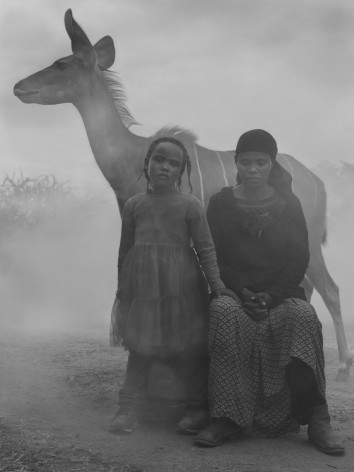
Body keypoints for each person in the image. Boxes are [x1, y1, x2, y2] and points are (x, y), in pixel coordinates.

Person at [194, 129, 345, 455]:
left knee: (303, 316)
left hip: (281, 294)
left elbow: (298, 258)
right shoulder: (220, 203)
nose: (252, 168)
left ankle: (318, 418)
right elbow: (215, 255)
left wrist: (272, 295)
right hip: (237, 294)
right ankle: (226, 418)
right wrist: (244, 290)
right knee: (223, 313)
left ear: (270, 164)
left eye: (260, 162)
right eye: (245, 161)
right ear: (236, 163)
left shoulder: (288, 204)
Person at [109, 136, 226, 434]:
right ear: (147, 162)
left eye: (174, 164)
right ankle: (128, 409)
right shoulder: (134, 205)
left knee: (187, 349)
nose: (165, 167)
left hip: (181, 291)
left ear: (182, 171)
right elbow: (125, 251)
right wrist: (123, 289)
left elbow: (206, 248)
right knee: (140, 347)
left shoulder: (191, 205)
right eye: (159, 159)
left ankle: (196, 409)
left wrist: (217, 286)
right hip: (144, 291)